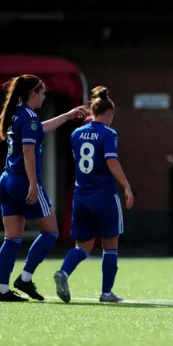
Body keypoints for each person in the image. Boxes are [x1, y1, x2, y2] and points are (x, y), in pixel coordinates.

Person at [0, 74, 85, 302]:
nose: (44, 97)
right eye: (42, 93)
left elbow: (39, 130)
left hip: (6, 180)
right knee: (51, 231)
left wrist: (67, 115)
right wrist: (33, 185)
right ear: (33, 93)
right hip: (23, 182)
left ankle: (2, 289)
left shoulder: (17, 113)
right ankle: (25, 277)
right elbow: (28, 151)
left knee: (12, 238)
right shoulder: (31, 117)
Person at [53, 86, 133, 303]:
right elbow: (111, 160)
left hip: (81, 196)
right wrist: (126, 185)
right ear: (108, 113)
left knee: (83, 246)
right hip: (104, 195)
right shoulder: (108, 133)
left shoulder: (76, 134)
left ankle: (64, 272)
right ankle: (106, 293)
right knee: (110, 245)